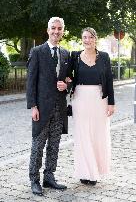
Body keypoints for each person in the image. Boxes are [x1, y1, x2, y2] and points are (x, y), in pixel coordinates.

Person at [26, 17, 70, 195]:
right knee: (38, 144)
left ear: (62, 31)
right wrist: (33, 106)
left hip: (60, 108)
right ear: (48, 30)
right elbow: (30, 82)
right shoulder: (37, 51)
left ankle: (49, 177)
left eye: (59, 28)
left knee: (54, 144)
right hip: (42, 109)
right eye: (53, 28)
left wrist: (67, 85)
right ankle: (34, 180)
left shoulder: (65, 53)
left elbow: (70, 79)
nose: (56, 31)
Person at [69, 27, 115, 185]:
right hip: (80, 99)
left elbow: (109, 80)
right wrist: (67, 82)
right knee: (82, 136)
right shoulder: (74, 56)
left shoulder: (104, 57)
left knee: (97, 136)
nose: (87, 40)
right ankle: (84, 172)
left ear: (95, 39)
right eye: (84, 37)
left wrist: (111, 103)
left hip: (98, 100)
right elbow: (68, 77)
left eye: (90, 37)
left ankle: (95, 171)